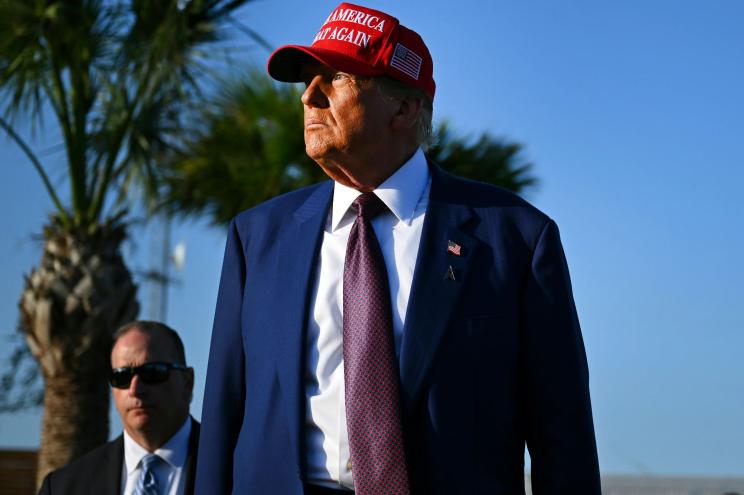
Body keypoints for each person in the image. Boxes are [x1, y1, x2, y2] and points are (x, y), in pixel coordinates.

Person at [196, 3, 601, 494]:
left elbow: (562, 432)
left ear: (404, 108)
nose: (309, 96)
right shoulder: (257, 236)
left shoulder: (514, 238)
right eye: (307, 79)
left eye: (335, 78)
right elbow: (223, 413)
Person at [39, 321, 200, 494]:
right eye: (121, 376)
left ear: (187, 382)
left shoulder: (227, 465)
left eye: (153, 372)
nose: (135, 389)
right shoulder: (63, 487)